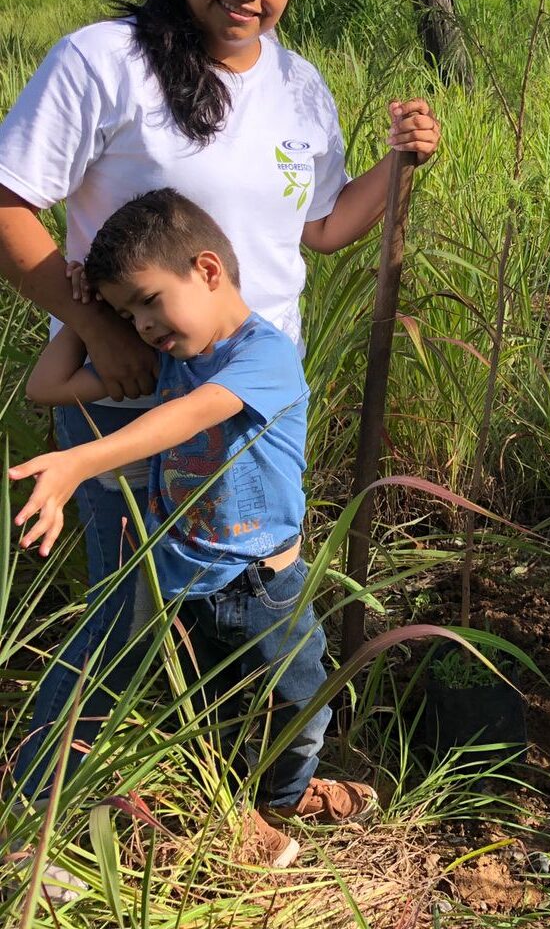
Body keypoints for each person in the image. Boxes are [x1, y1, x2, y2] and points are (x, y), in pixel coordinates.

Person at [0, 0, 439, 815]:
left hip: (250, 398)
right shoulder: (103, 62)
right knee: (129, 611)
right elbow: (8, 201)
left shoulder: (297, 85)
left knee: (244, 602)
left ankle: (237, 780)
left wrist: (397, 168)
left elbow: (320, 228)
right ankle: (48, 804)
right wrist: (91, 330)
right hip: (125, 388)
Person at [13, 189, 367, 868]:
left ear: (208, 269)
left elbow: (185, 419)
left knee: (298, 704)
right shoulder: (172, 354)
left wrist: (77, 461)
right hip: (186, 580)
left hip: (264, 583)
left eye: (148, 301)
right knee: (209, 715)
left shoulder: (263, 356)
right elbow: (46, 388)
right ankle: (238, 819)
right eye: (128, 313)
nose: (142, 326)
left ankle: (288, 793)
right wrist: (86, 315)